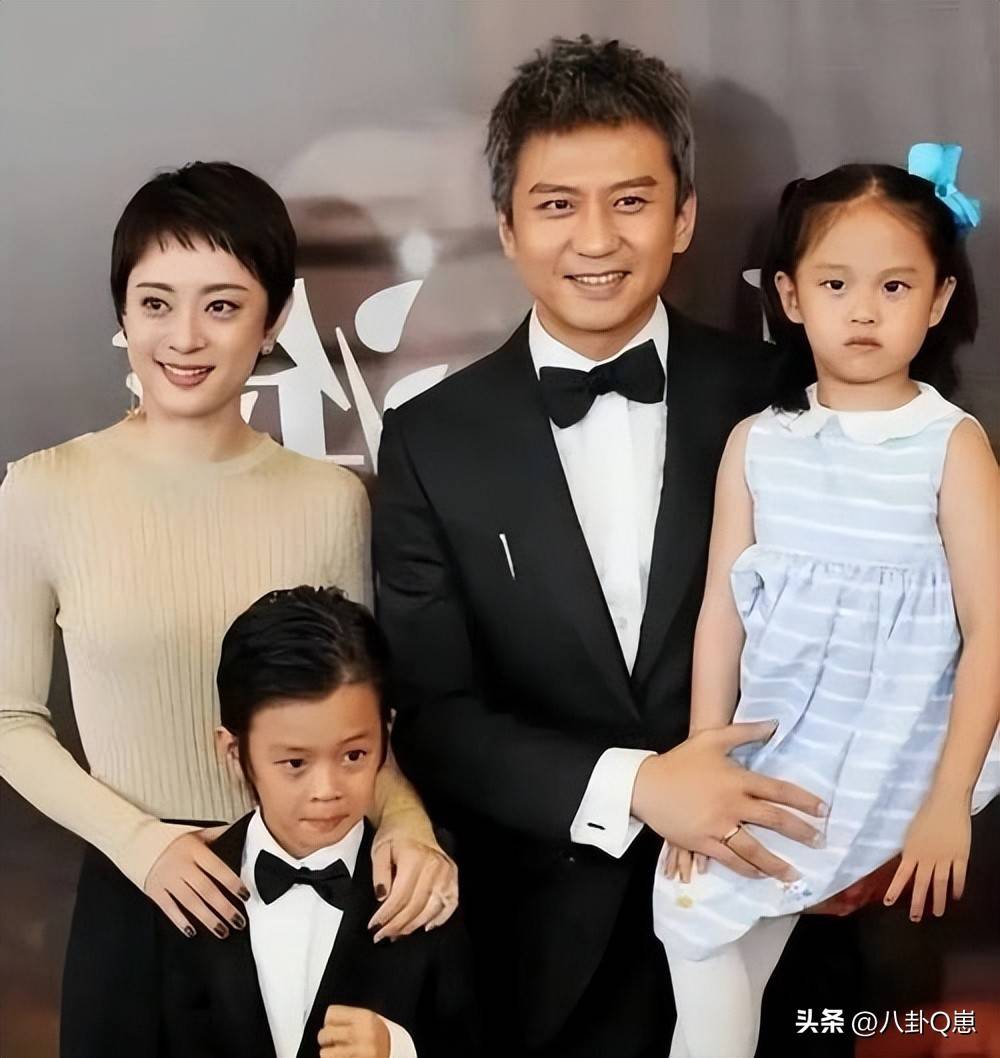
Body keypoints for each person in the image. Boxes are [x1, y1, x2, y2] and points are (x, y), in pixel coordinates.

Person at [374, 36, 842, 1058]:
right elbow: (436, 715)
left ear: (683, 217)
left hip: (776, 905)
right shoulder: (430, 440)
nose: (596, 238)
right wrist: (636, 785)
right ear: (506, 226)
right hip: (537, 956)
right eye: (556, 204)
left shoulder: (783, 398)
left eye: (631, 200)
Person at [0, 162, 456, 1058]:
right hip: (138, 892)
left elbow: (357, 722)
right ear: (122, 312)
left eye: (222, 305)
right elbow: (9, 719)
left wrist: (408, 825)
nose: (184, 337)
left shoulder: (329, 500)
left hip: (311, 884)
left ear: (274, 318)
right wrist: (144, 845)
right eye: (155, 303)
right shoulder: (44, 490)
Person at [653, 145, 1000, 1058]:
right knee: (702, 922)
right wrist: (701, 756)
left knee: (709, 933)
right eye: (836, 284)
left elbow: (990, 629)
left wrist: (949, 800)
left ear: (938, 300)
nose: (864, 311)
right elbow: (722, 614)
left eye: (895, 286)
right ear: (790, 295)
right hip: (778, 754)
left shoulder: (951, 445)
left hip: (890, 757)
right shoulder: (759, 443)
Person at [159, 586, 479, 1058]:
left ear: (385, 735)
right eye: (295, 763)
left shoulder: (428, 881)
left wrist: (398, 1049)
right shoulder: (180, 887)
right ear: (233, 752)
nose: (327, 789)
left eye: (354, 755)